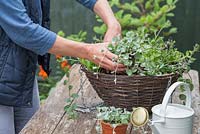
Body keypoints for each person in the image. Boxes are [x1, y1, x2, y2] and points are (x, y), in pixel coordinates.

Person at [0, 0, 125, 133]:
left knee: (32, 129)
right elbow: (24, 31)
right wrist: (88, 51)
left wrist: (113, 24)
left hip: (21, 73)